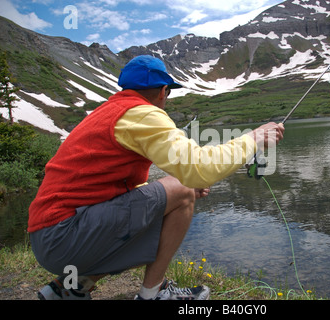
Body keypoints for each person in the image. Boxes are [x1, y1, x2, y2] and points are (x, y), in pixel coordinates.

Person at [28, 55, 285, 300]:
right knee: (182, 189)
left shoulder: (108, 112)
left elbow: (117, 190)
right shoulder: (142, 113)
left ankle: (70, 287)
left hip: (50, 236)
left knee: (175, 194)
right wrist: (254, 138)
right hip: (64, 237)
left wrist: (180, 190)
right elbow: (200, 168)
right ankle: (154, 293)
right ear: (163, 91)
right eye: (168, 93)